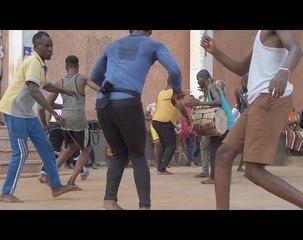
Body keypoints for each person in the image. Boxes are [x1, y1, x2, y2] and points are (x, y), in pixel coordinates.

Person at [201, 30, 303, 209]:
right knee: (223, 155)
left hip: (270, 98)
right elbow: (241, 67)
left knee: (254, 171)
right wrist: (215, 50)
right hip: (258, 101)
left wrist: (284, 71)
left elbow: (296, 49)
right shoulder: (260, 34)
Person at [91, 30, 186, 210]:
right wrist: (177, 90)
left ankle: (109, 201)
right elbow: (174, 70)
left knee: (119, 153)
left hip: (103, 103)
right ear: (150, 31)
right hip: (127, 102)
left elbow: (95, 76)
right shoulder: (154, 45)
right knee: (138, 155)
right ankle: (144, 206)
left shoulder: (112, 46)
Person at [0, 31, 77, 203]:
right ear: (36, 47)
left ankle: (56, 187)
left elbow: (46, 85)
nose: (51, 49)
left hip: (27, 114)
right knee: (21, 152)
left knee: (47, 149)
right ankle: (6, 192)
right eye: (46, 46)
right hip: (15, 112)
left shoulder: (40, 64)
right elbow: (34, 90)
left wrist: (64, 91)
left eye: (52, 46)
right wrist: (55, 113)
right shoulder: (33, 62)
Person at [38, 55, 100, 189]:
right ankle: (71, 181)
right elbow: (99, 89)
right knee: (86, 149)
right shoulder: (82, 78)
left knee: (70, 148)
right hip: (78, 120)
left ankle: (49, 174)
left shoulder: (59, 82)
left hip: (64, 121)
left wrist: (63, 108)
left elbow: (48, 104)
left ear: (66, 67)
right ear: (77, 66)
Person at [189, 77, 235, 184]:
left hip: (224, 123)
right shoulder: (213, 88)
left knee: (214, 150)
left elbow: (218, 102)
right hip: (224, 123)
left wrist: (199, 104)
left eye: (198, 79)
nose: (197, 81)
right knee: (217, 150)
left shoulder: (211, 87)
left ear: (204, 78)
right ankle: (220, 176)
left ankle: (214, 178)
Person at [152, 80, 191, 174]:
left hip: (156, 120)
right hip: (165, 121)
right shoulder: (174, 92)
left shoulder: (161, 92)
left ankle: (160, 168)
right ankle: (162, 168)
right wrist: (188, 119)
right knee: (171, 145)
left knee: (164, 145)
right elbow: (181, 107)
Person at [234, 74, 248, 172]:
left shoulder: (251, 93)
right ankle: (240, 166)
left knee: (246, 144)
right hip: (243, 119)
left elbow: (249, 105)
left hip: (249, 120)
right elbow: (239, 108)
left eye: (242, 83)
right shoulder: (244, 93)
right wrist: (237, 97)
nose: (241, 85)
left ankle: (241, 166)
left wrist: (241, 96)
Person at [145, 101, 160, 166]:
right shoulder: (151, 105)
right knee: (157, 144)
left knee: (164, 144)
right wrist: (152, 118)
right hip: (154, 126)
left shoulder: (165, 105)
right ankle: (158, 163)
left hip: (164, 126)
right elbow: (145, 117)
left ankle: (163, 162)